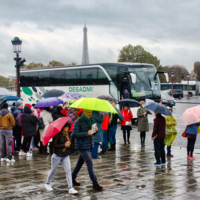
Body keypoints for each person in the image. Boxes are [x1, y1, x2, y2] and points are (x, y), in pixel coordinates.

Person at [71, 109, 103, 191]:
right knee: (89, 162)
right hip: (81, 145)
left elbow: (92, 133)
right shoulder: (79, 121)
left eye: (91, 112)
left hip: (88, 144)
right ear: (84, 112)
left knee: (79, 163)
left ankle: (72, 178)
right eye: (88, 112)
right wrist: (86, 133)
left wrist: (95, 131)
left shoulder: (91, 120)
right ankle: (95, 183)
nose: (90, 114)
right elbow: (74, 134)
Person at [45, 123, 78, 194]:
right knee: (53, 170)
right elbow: (54, 145)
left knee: (68, 170)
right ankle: (47, 183)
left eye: (68, 127)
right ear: (63, 128)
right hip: (57, 155)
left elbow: (69, 145)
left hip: (65, 155)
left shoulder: (68, 135)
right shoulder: (57, 134)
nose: (68, 129)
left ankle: (70, 187)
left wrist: (69, 146)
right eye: (66, 127)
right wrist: (64, 145)